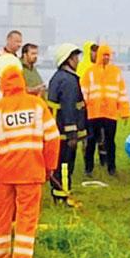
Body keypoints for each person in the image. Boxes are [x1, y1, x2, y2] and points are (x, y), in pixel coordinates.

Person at [0, 66, 60, 258]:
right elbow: (52, 138)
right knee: (27, 216)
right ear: (22, 82)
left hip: (3, 173)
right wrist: (50, 166)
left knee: (0, 215)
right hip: (31, 171)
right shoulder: (37, 105)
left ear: (2, 85)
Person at [80, 44, 130, 176]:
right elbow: (84, 91)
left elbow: (122, 93)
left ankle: (111, 167)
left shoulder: (116, 72)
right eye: (104, 55)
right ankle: (88, 168)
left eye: (108, 55)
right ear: (99, 55)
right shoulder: (90, 72)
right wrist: (82, 108)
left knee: (110, 141)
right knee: (91, 141)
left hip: (110, 113)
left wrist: (125, 111)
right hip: (93, 112)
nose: (106, 58)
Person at [47, 44, 87, 203]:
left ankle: (59, 193)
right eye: (75, 58)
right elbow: (69, 108)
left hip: (57, 129)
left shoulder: (59, 77)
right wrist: (72, 134)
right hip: (64, 132)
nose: (78, 61)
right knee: (65, 165)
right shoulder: (69, 81)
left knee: (58, 164)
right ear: (68, 60)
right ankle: (64, 195)